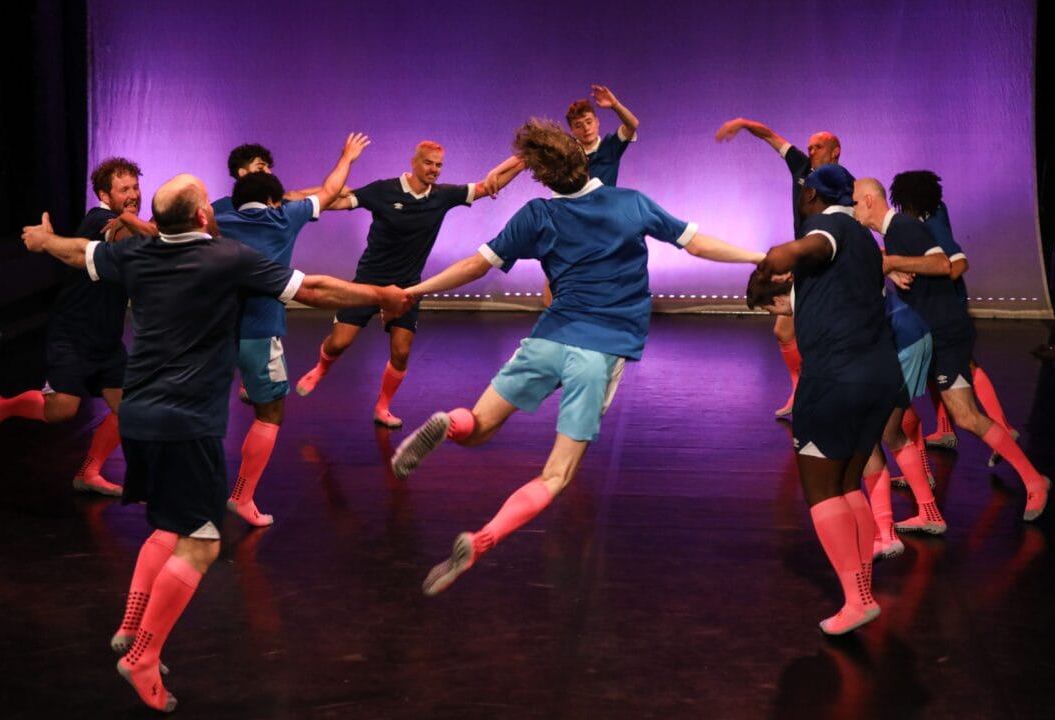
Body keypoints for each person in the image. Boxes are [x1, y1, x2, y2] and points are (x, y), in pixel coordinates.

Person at [20, 173, 411, 713]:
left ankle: (133, 626)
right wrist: (381, 293)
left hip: (137, 418)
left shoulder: (137, 254)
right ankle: (142, 657)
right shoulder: (229, 257)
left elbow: (76, 252)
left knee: (169, 526)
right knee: (201, 544)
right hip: (186, 424)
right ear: (204, 216)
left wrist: (42, 241)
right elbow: (316, 290)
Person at [388, 118, 764, 597]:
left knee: (478, 428)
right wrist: (758, 257)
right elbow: (697, 243)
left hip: (547, 340)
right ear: (584, 159)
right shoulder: (631, 203)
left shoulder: (537, 213)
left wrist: (414, 290)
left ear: (542, 177)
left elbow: (472, 265)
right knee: (556, 474)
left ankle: (450, 421)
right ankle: (482, 540)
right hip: (598, 354)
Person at [746, 164, 901, 635]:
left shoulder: (827, 226)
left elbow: (808, 248)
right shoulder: (865, 242)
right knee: (849, 483)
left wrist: (779, 253)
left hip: (836, 380)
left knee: (820, 492)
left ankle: (855, 600)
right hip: (880, 377)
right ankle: (864, 590)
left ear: (811, 194)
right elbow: (815, 291)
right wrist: (773, 283)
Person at [853, 177, 1050, 522]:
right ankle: (931, 489)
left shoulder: (902, 226)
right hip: (933, 334)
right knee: (947, 415)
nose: (853, 209)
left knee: (947, 414)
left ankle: (1033, 481)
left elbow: (944, 265)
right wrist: (893, 265)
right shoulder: (894, 233)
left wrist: (893, 261)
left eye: (854, 202)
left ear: (869, 201)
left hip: (944, 332)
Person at [292, 141, 523, 428]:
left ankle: (382, 407)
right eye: (429, 163)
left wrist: (523, 163)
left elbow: (489, 186)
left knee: (401, 352)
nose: (434, 170)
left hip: (407, 288)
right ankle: (320, 368)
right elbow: (335, 198)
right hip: (367, 284)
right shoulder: (383, 190)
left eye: (439, 165)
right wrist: (292, 199)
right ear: (414, 163)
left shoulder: (442, 195)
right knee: (339, 343)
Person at [0, 157, 154, 496]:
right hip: (73, 333)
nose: (132, 194)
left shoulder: (126, 223)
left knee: (130, 409)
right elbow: (124, 231)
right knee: (62, 409)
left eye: (136, 187)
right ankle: (2, 407)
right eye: (123, 189)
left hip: (107, 340)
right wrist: (146, 222)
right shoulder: (102, 221)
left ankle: (90, 472)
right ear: (104, 193)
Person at [215, 133, 369, 527]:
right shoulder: (285, 214)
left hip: (212, 332)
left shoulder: (215, 214)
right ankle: (242, 496)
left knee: (206, 413)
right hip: (259, 333)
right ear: (272, 198)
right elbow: (331, 189)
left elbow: (166, 227)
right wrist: (347, 155)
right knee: (271, 414)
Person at [750, 276, 945, 560]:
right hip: (905, 336)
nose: (778, 319)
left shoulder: (813, 301)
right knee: (889, 434)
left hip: (898, 344)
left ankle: (887, 534)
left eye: (771, 311)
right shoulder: (819, 283)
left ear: (779, 300)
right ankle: (928, 514)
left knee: (872, 441)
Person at [715, 119, 842, 417]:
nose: (811, 150)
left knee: (820, 332)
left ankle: (824, 395)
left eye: (818, 146)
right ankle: (801, 391)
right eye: (809, 146)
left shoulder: (842, 182)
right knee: (784, 329)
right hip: (804, 260)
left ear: (835, 152)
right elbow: (771, 136)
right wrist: (743, 123)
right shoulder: (800, 166)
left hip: (829, 261)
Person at [890, 171, 1019, 462]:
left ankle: (1003, 426)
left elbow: (958, 262)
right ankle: (946, 429)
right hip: (938, 303)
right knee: (937, 364)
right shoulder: (926, 214)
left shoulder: (932, 218)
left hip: (948, 304)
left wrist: (934, 285)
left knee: (964, 363)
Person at [541, 85, 641, 306]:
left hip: (604, 222)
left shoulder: (610, 146)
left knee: (605, 272)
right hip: (571, 219)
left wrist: (614, 105)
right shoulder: (567, 153)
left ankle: (602, 317)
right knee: (555, 271)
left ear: (597, 122)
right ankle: (552, 320)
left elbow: (632, 124)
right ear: (573, 130)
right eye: (578, 125)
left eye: (588, 122)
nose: (585, 128)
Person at [209, 142, 328, 215]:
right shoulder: (218, 209)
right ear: (243, 173)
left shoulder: (279, 204)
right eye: (260, 168)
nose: (268, 172)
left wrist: (347, 196)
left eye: (268, 167)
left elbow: (326, 199)